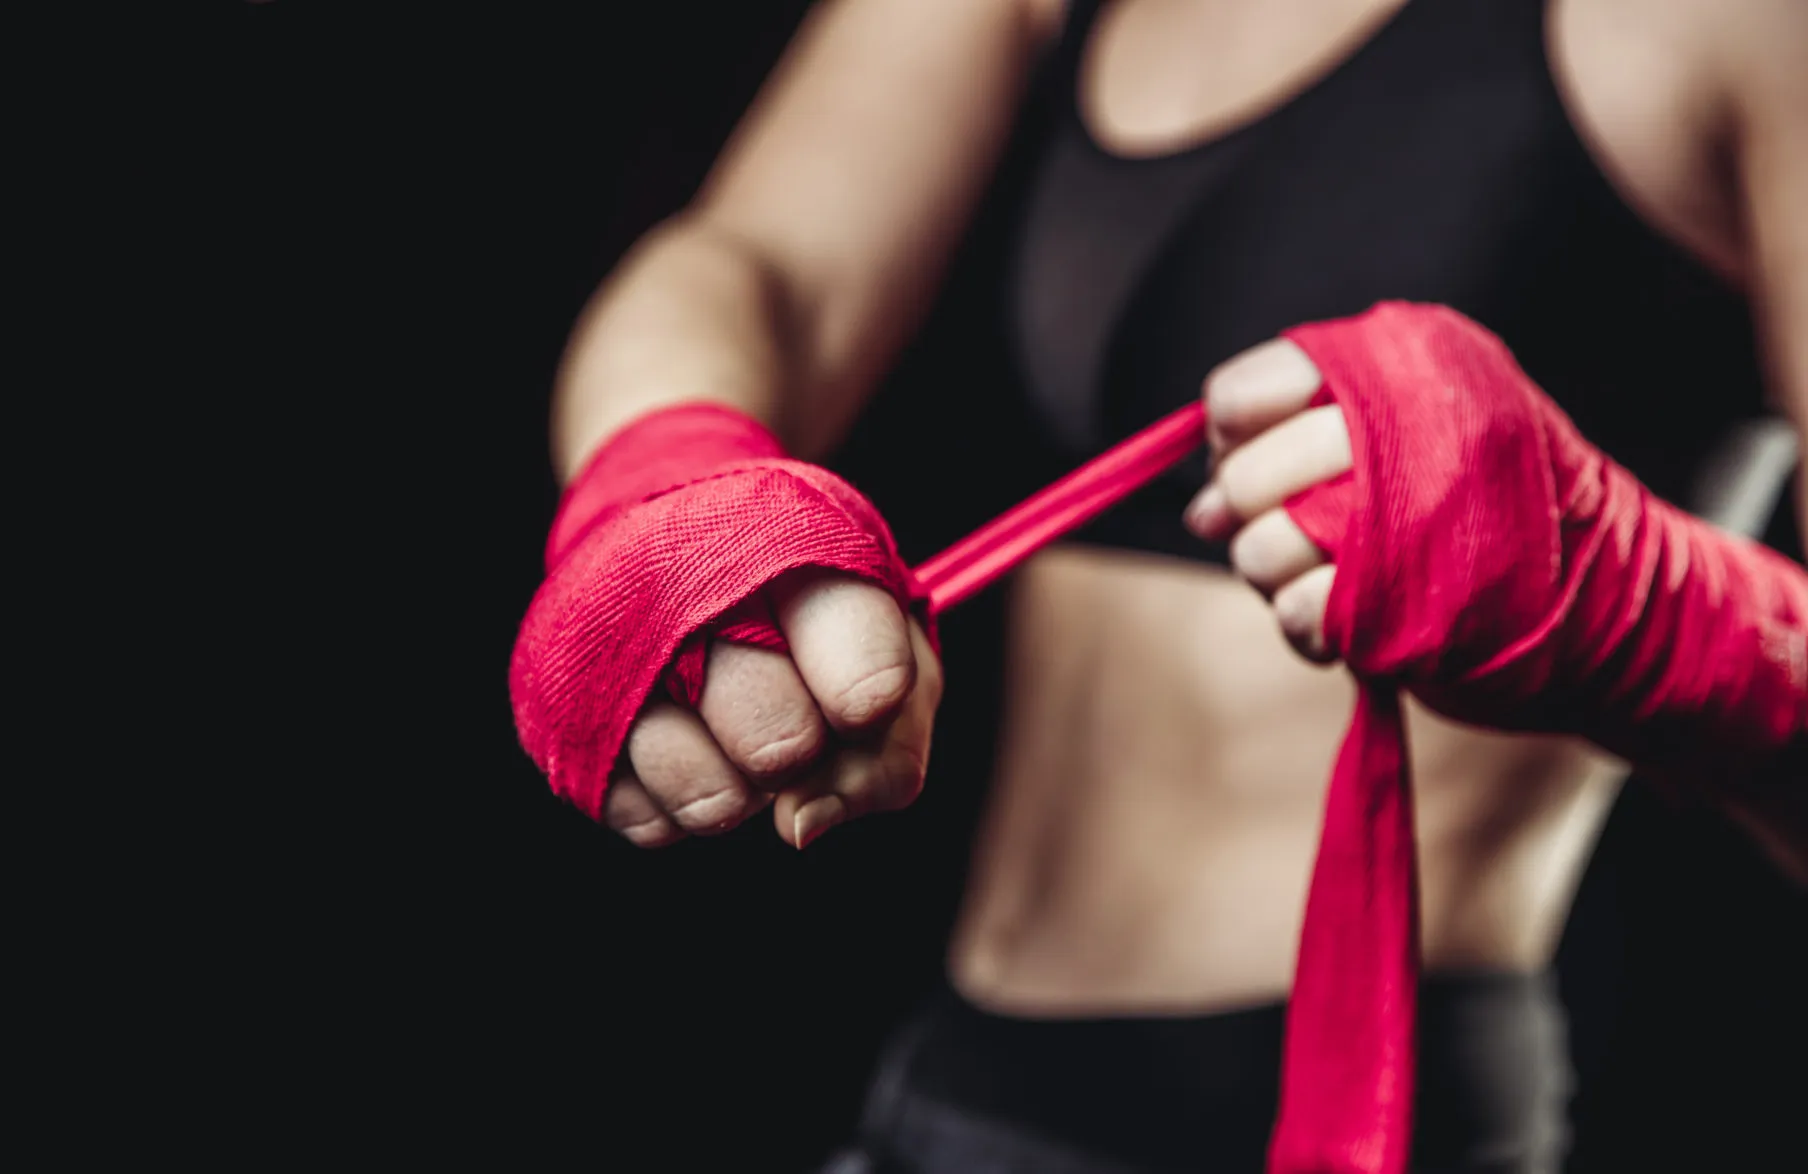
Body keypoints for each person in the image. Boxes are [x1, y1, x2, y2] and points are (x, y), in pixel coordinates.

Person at [513, 1, 1808, 1170]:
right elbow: (762, 269)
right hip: (956, 1079)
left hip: (1352, 1117)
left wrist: (1654, 615)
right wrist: (668, 479)